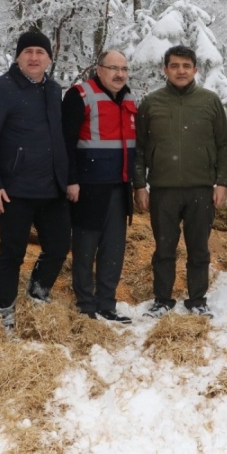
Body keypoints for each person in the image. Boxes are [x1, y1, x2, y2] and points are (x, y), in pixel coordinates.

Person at [0, 31, 71, 331]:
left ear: (49, 59)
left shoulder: (54, 90)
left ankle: (38, 292)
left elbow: (59, 139)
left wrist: (67, 180)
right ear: (17, 57)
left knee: (58, 247)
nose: (33, 57)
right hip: (13, 191)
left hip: (52, 189)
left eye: (40, 53)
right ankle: (4, 310)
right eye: (27, 51)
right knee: (12, 253)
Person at [133, 45, 227, 319]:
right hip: (163, 191)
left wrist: (222, 182)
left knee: (198, 248)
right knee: (164, 248)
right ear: (165, 69)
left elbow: (225, 144)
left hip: (200, 190)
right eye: (175, 66)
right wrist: (140, 184)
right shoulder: (151, 102)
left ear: (195, 69)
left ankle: (197, 300)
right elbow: (139, 148)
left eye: (186, 66)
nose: (181, 71)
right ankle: (162, 299)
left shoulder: (209, 101)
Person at [62, 50, 136, 324]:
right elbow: (65, 142)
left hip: (119, 187)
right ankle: (85, 305)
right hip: (87, 188)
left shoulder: (128, 98)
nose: (119, 74)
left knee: (113, 249)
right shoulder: (79, 95)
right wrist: (71, 180)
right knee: (85, 248)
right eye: (113, 68)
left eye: (124, 69)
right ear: (99, 69)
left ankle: (107, 303)